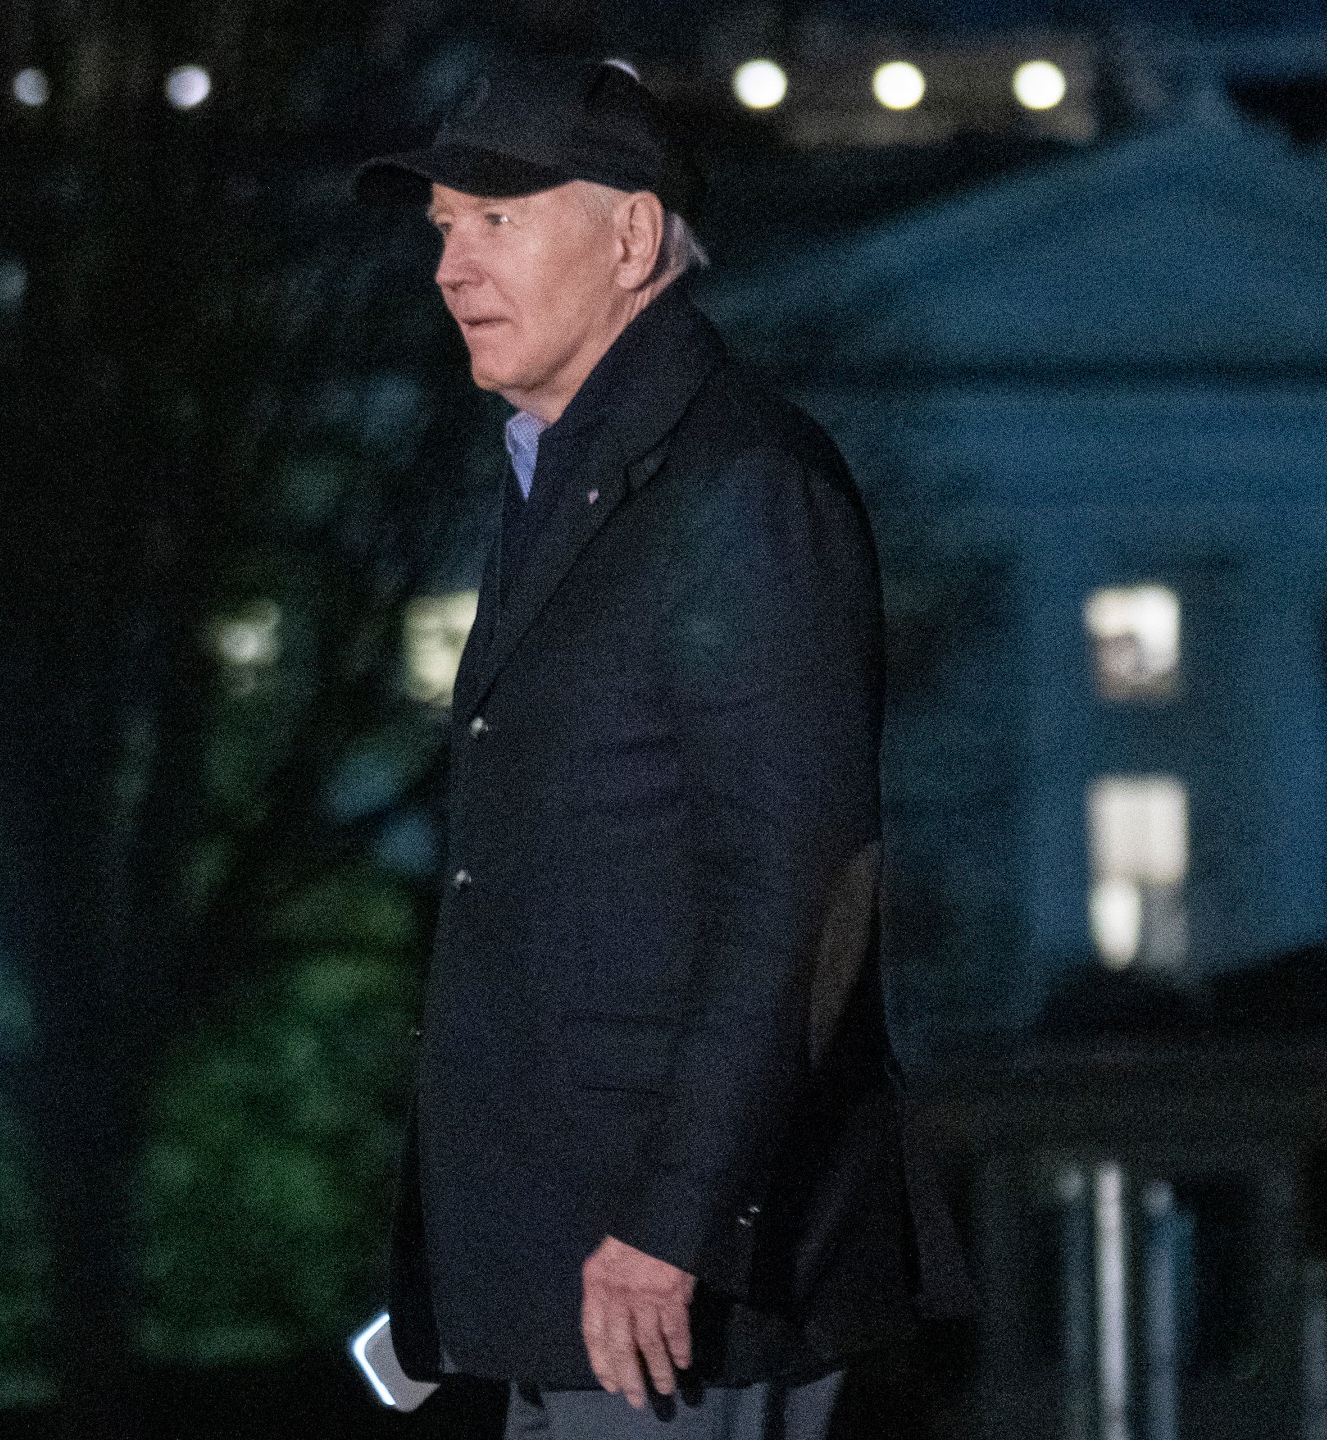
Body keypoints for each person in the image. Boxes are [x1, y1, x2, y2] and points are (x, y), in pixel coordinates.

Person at [357, 56, 973, 1438]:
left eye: (497, 221)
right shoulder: (569, 473)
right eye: (443, 227)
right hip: (584, 1278)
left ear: (630, 237)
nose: (452, 264)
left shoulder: (741, 486)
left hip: (671, 1291)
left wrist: (674, 1221)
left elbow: (804, 882)